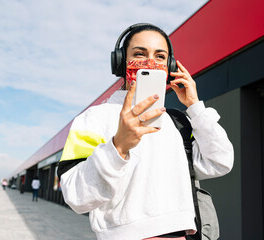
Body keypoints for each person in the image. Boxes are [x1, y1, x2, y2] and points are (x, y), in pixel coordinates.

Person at [58, 23, 234, 240]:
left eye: (160, 56)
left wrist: (195, 106)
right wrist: (118, 147)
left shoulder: (177, 121)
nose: (150, 62)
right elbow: (76, 196)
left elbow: (220, 162)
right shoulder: (93, 118)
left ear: (169, 66)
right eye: (139, 54)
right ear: (121, 62)